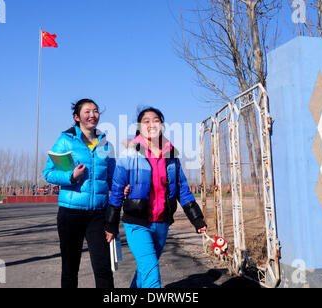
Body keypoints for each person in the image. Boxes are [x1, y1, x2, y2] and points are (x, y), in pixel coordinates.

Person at [105, 107, 207, 288]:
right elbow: (118, 188)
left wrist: (197, 219)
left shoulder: (171, 155)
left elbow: (182, 188)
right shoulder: (130, 153)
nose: (151, 124)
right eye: (146, 121)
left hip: (162, 223)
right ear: (139, 127)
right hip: (137, 223)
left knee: (145, 270)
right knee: (152, 273)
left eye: (156, 120)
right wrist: (111, 224)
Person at [43, 98, 127, 288]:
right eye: (87, 111)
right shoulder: (65, 140)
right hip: (70, 212)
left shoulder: (106, 144)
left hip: (98, 214)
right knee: (70, 268)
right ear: (77, 117)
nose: (92, 115)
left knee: (103, 267)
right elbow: (48, 173)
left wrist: (123, 188)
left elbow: (113, 178)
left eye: (95, 111)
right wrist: (71, 176)